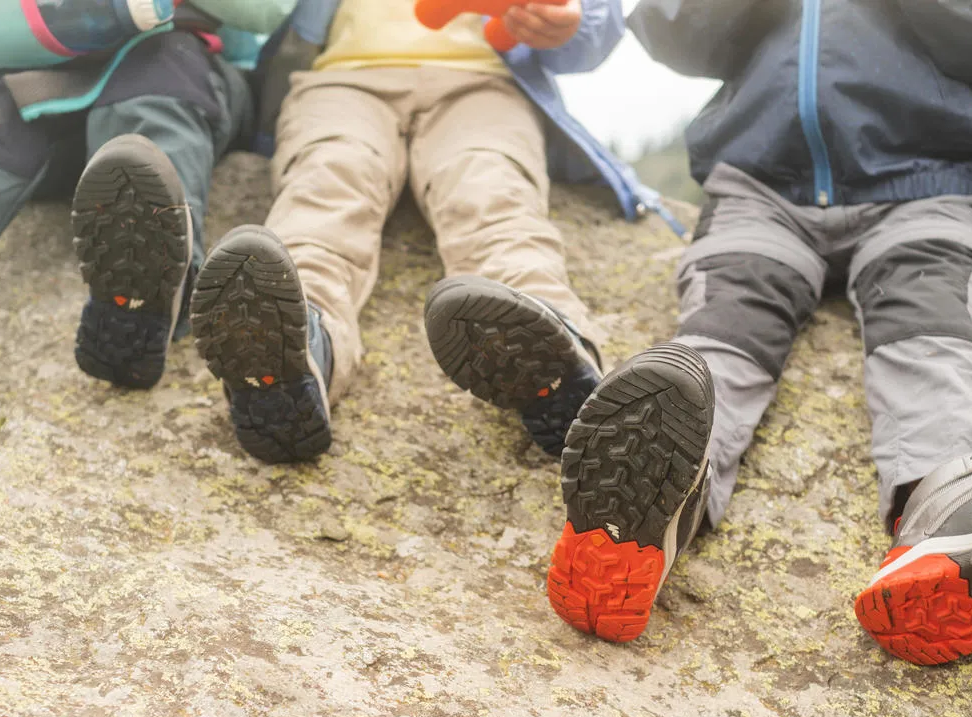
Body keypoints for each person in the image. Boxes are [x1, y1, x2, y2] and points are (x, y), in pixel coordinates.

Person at [546, 0, 972, 666]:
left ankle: (959, 517)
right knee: (713, 349)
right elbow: (670, 31)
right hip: (758, 189)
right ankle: (645, 520)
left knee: (928, 333)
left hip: (925, 183)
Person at [188, 0, 670, 464]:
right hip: (342, 82)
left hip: (481, 85)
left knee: (491, 195)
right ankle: (297, 352)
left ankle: (562, 357)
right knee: (328, 183)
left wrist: (576, 20)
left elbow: (598, 20)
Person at [0, 1, 293, 388]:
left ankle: (148, 305)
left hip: (186, 71)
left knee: (156, 83)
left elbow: (265, 12)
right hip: (49, 86)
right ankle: (138, 281)